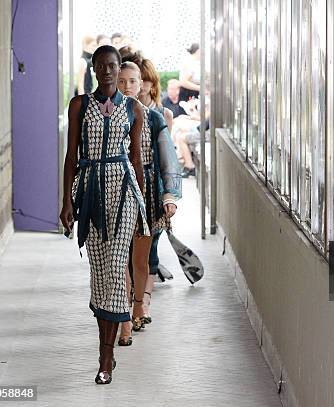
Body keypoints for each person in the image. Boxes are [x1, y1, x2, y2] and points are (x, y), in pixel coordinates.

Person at [60, 45, 149, 384]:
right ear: (95, 69)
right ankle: (104, 347)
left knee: (115, 267)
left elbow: (137, 159)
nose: (109, 71)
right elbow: (71, 156)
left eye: (113, 65)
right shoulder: (80, 106)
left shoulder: (134, 110)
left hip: (124, 189)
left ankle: (107, 357)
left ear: (118, 67)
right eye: (103, 66)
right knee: (99, 272)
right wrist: (67, 202)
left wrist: (143, 206)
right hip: (92, 191)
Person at [116, 61, 182, 341]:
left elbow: (169, 160)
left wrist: (170, 195)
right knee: (120, 260)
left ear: (142, 83)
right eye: (122, 81)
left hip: (147, 195)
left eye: (133, 81)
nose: (128, 86)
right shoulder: (107, 115)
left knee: (141, 259)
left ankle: (139, 305)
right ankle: (125, 319)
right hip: (115, 193)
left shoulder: (154, 118)